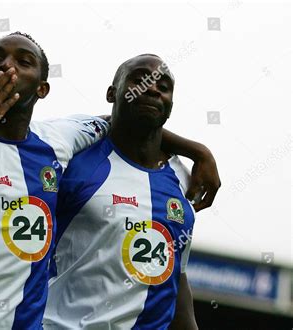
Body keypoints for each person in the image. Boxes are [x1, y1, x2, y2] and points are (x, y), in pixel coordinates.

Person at [0, 33, 220, 329]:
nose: (7, 66)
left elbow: (122, 119)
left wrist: (197, 151)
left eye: (24, 61)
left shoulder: (56, 143)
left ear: (42, 88)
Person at [43, 54, 201, 329]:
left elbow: (177, 277)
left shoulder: (180, 181)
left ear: (170, 105)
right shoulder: (74, 159)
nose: (152, 88)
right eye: (139, 80)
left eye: (163, 87)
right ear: (111, 93)